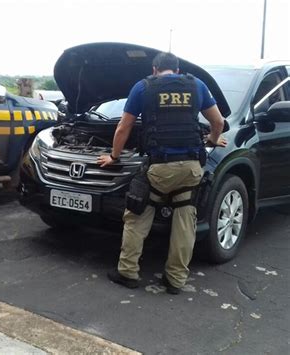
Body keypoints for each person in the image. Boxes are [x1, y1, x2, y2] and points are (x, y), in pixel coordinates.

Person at [97, 52, 227, 295]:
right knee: (185, 219)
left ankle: (128, 272)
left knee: (137, 214)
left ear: (154, 69)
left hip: (159, 169)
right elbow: (218, 122)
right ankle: (175, 280)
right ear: (177, 71)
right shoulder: (196, 85)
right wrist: (210, 140)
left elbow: (123, 126)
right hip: (191, 168)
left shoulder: (143, 87)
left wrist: (113, 157)